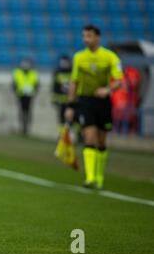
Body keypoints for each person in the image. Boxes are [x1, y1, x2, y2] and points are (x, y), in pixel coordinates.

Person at [65, 25, 123, 189]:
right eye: (84, 36)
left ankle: (99, 177)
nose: (86, 39)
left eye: (89, 36)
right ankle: (90, 178)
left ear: (97, 37)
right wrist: (70, 105)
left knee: (102, 141)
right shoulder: (79, 57)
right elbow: (74, 82)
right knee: (89, 137)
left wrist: (107, 89)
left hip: (103, 102)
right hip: (85, 101)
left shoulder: (110, 57)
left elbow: (119, 81)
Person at [12, 58, 39, 135]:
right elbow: (14, 83)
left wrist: (34, 92)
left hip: (30, 95)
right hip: (20, 95)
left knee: (28, 111)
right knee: (21, 111)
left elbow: (36, 84)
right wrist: (16, 91)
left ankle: (27, 128)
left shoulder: (34, 73)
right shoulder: (17, 72)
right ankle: (22, 127)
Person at [51, 55, 72, 126]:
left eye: (66, 62)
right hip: (61, 100)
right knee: (61, 118)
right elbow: (55, 87)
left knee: (72, 118)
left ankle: (76, 135)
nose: (64, 64)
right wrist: (54, 99)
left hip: (71, 100)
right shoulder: (57, 72)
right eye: (62, 62)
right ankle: (62, 135)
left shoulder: (72, 72)